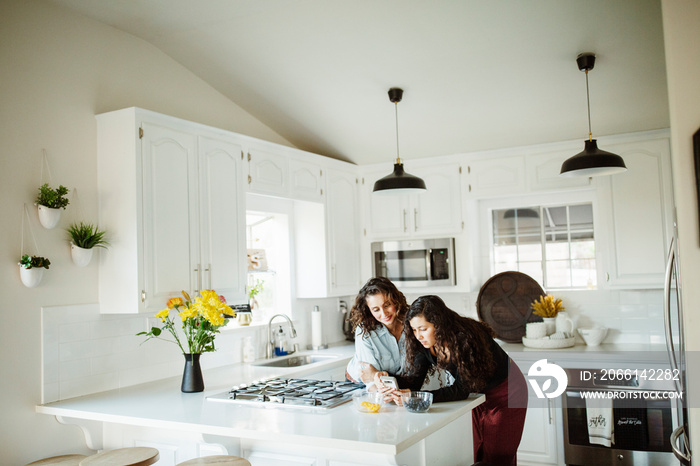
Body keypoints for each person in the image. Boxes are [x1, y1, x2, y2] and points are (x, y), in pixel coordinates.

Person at [377, 295, 527, 466]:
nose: (418, 335)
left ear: (439, 325)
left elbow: (461, 389)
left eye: (423, 329)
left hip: (507, 391)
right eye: (414, 329)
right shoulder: (424, 343)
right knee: (475, 451)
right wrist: (389, 381)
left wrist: (416, 396)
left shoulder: (466, 338)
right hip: (476, 395)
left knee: (498, 456)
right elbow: (414, 381)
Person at [345, 277, 408, 384]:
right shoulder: (365, 331)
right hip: (358, 384)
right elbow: (371, 379)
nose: (384, 314)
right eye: (376, 310)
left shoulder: (411, 324)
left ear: (395, 301)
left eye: (387, 305)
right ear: (369, 311)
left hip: (393, 383)